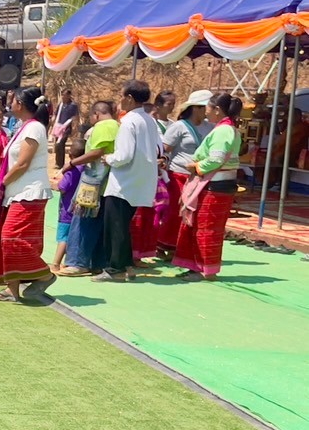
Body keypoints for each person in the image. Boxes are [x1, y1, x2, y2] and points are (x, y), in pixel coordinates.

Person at [0, 87, 56, 303]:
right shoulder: (25, 127)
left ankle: (45, 275)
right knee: (8, 238)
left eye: (12, 100)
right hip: (18, 192)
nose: (10, 104)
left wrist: (0, 183)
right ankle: (12, 290)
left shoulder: (34, 128)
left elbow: (23, 163)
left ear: (21, 103)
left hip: (29, 192)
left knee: (11, 237)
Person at [95, 80, 162, 283]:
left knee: (115, 226)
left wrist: (108, 158)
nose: (120, 100)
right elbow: (158, 149)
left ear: (130, 98)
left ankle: (115, 268)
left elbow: (123, 155)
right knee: (123, 225)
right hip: (142, 179)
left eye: (122, 96)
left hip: (124, 182)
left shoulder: (129, 122)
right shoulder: (149, 120)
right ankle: (127, 265)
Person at [174, 92, 243, 282]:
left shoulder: (223, 131)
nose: (206, 112)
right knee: (208, 228)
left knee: (205, 228)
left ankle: (204, 269)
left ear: (217, 110)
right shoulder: (229, 129)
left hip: (214, 186)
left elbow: (216, 159)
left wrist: (196, 166)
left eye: (208, 108)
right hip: (219, 185)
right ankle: (202, 267)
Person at [58, 101, 118, 276]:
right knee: (97, 224)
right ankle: (96, 263)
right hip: (105, 182)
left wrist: (72, 163)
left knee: (82, 221)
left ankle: (77, 263)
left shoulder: (103, 127)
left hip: (93, 182)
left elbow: (96, 152)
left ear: (96, 115)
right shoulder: (118, 126)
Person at [158, 90, 212, 260]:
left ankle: (182, 246)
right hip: (178, 174)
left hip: (199, 176)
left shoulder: (210, 127)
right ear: (196, 108)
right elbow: (165, 149)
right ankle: (165, 244)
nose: (208, 111)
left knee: (193, 213)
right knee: (176, 211)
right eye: (205, 107)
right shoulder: (179, 127)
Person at [52, 138, 86, 271]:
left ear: (70, 155)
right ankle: (69, 261)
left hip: (67, 211)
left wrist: (54, 184)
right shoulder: (87, 170)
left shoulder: (71, 171)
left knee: (63, 238)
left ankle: (56, 263)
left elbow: (62, 188)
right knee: (75, 236)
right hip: (80, 210)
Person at [51, 87, 79, 168]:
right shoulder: (61, 105)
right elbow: (56, 114)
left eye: (64, 95)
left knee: (60, 144)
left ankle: (60, 163)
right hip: (58, 127)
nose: (63, 97)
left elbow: (75, 117)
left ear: (69, 96)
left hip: (66, 128)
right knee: (58, 145)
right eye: (62, 95)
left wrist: (75, 127)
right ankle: (58, 162)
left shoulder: (73, 105)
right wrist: (53, 120)